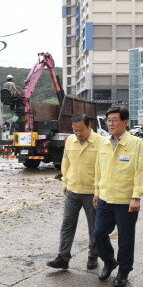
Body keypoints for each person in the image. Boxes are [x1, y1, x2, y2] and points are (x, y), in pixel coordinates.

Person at [93, 106, 143, 287]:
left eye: (115, 120)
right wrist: (96, 192)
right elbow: (98, 169)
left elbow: (140, 171)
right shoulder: (103, 143)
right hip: (105, 198)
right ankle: (109, 261)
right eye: (109, 120)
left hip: (126, 200)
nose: (110, 124)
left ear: (125, 122)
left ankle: (124, 270)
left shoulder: (136, 143)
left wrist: (136, 196)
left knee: (125, 237)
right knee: (99, 233)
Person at [46, 113, 102, 270]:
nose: (78, 134)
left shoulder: (101, 142)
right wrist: (65, 181)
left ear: (89, 126)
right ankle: (63, 257)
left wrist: (100, 190)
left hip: (92, 192)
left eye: (81, 130)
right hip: (72, 190)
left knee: (94, 226)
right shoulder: (70, 140)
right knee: (67, 224)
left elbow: (104, 167)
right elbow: (66, 162)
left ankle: (93, 256)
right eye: (74, 130)